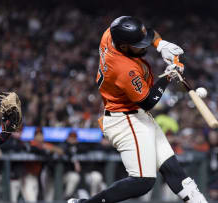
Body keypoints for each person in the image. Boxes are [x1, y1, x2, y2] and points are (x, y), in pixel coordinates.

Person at [68, 16, 207, 203]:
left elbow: (147, 33)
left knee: (172, 168)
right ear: (124, 46)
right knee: (143, 181)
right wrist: (168, 76)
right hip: (125, 120)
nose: (144, 47)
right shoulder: (123, 68)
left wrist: (161, 44)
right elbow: (148, 102)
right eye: (139, 45)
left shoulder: (111, 34)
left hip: (136, 115)